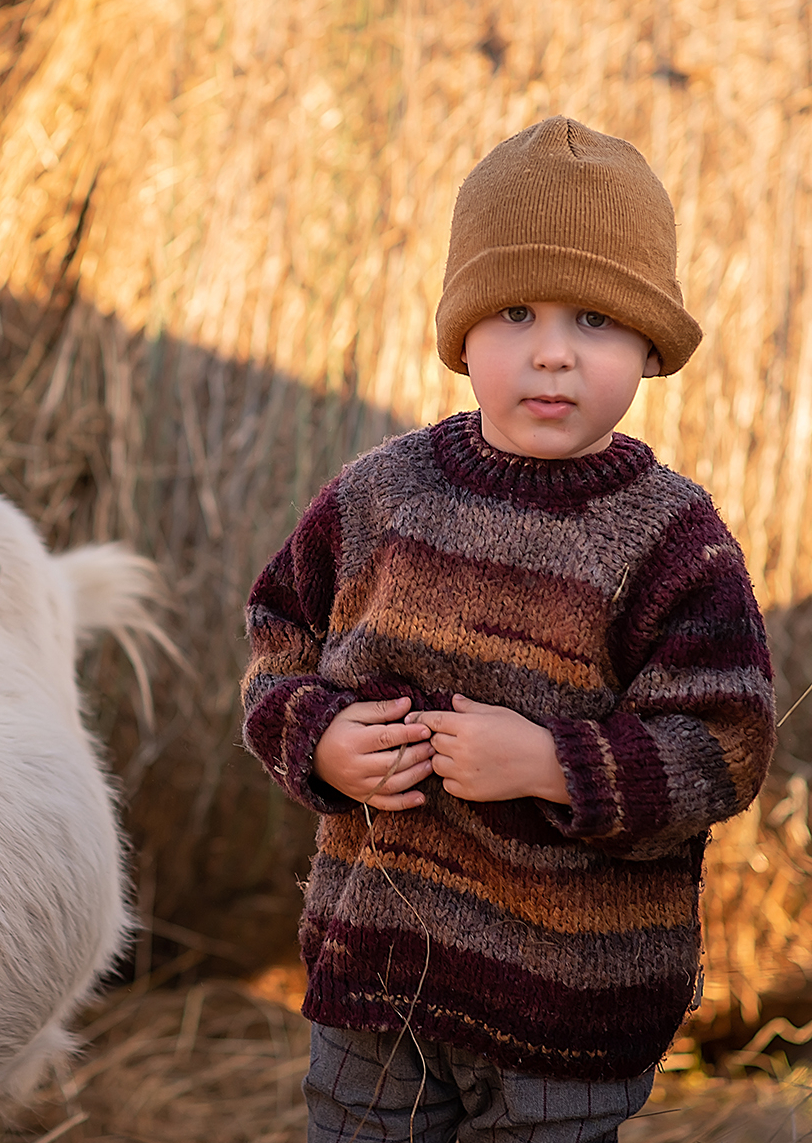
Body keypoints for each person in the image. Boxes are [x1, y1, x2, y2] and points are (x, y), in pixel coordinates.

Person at [240, 117, 776, 1142]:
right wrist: (319, 741)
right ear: (462, 331)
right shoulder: (381, 498)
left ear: (651, 344)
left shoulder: (671, 540)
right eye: (517, 312)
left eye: (596, 322)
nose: (552, 354)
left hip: (566, 1017)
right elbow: (279, 641)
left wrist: (551, 763)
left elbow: (724, 750)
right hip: (379, 978)